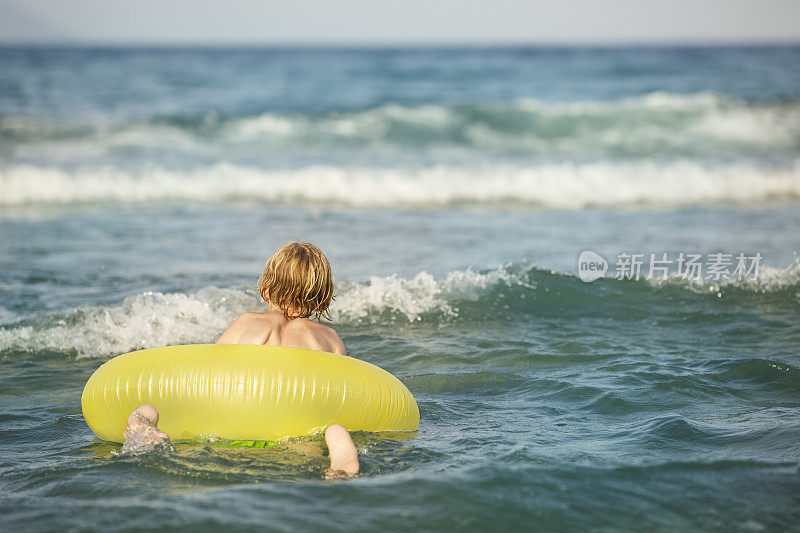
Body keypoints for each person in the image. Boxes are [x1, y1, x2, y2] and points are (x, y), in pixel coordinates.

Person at [121, 242, 359, 480]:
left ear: (265, 289)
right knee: (335, 429)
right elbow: (342, 399)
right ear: (323, 298)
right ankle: (341, 458)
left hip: (229, 432)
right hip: (297, 440)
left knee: (146, 410)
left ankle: (144, 427)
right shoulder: (328, 338)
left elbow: (206, 378)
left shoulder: (246, 323)